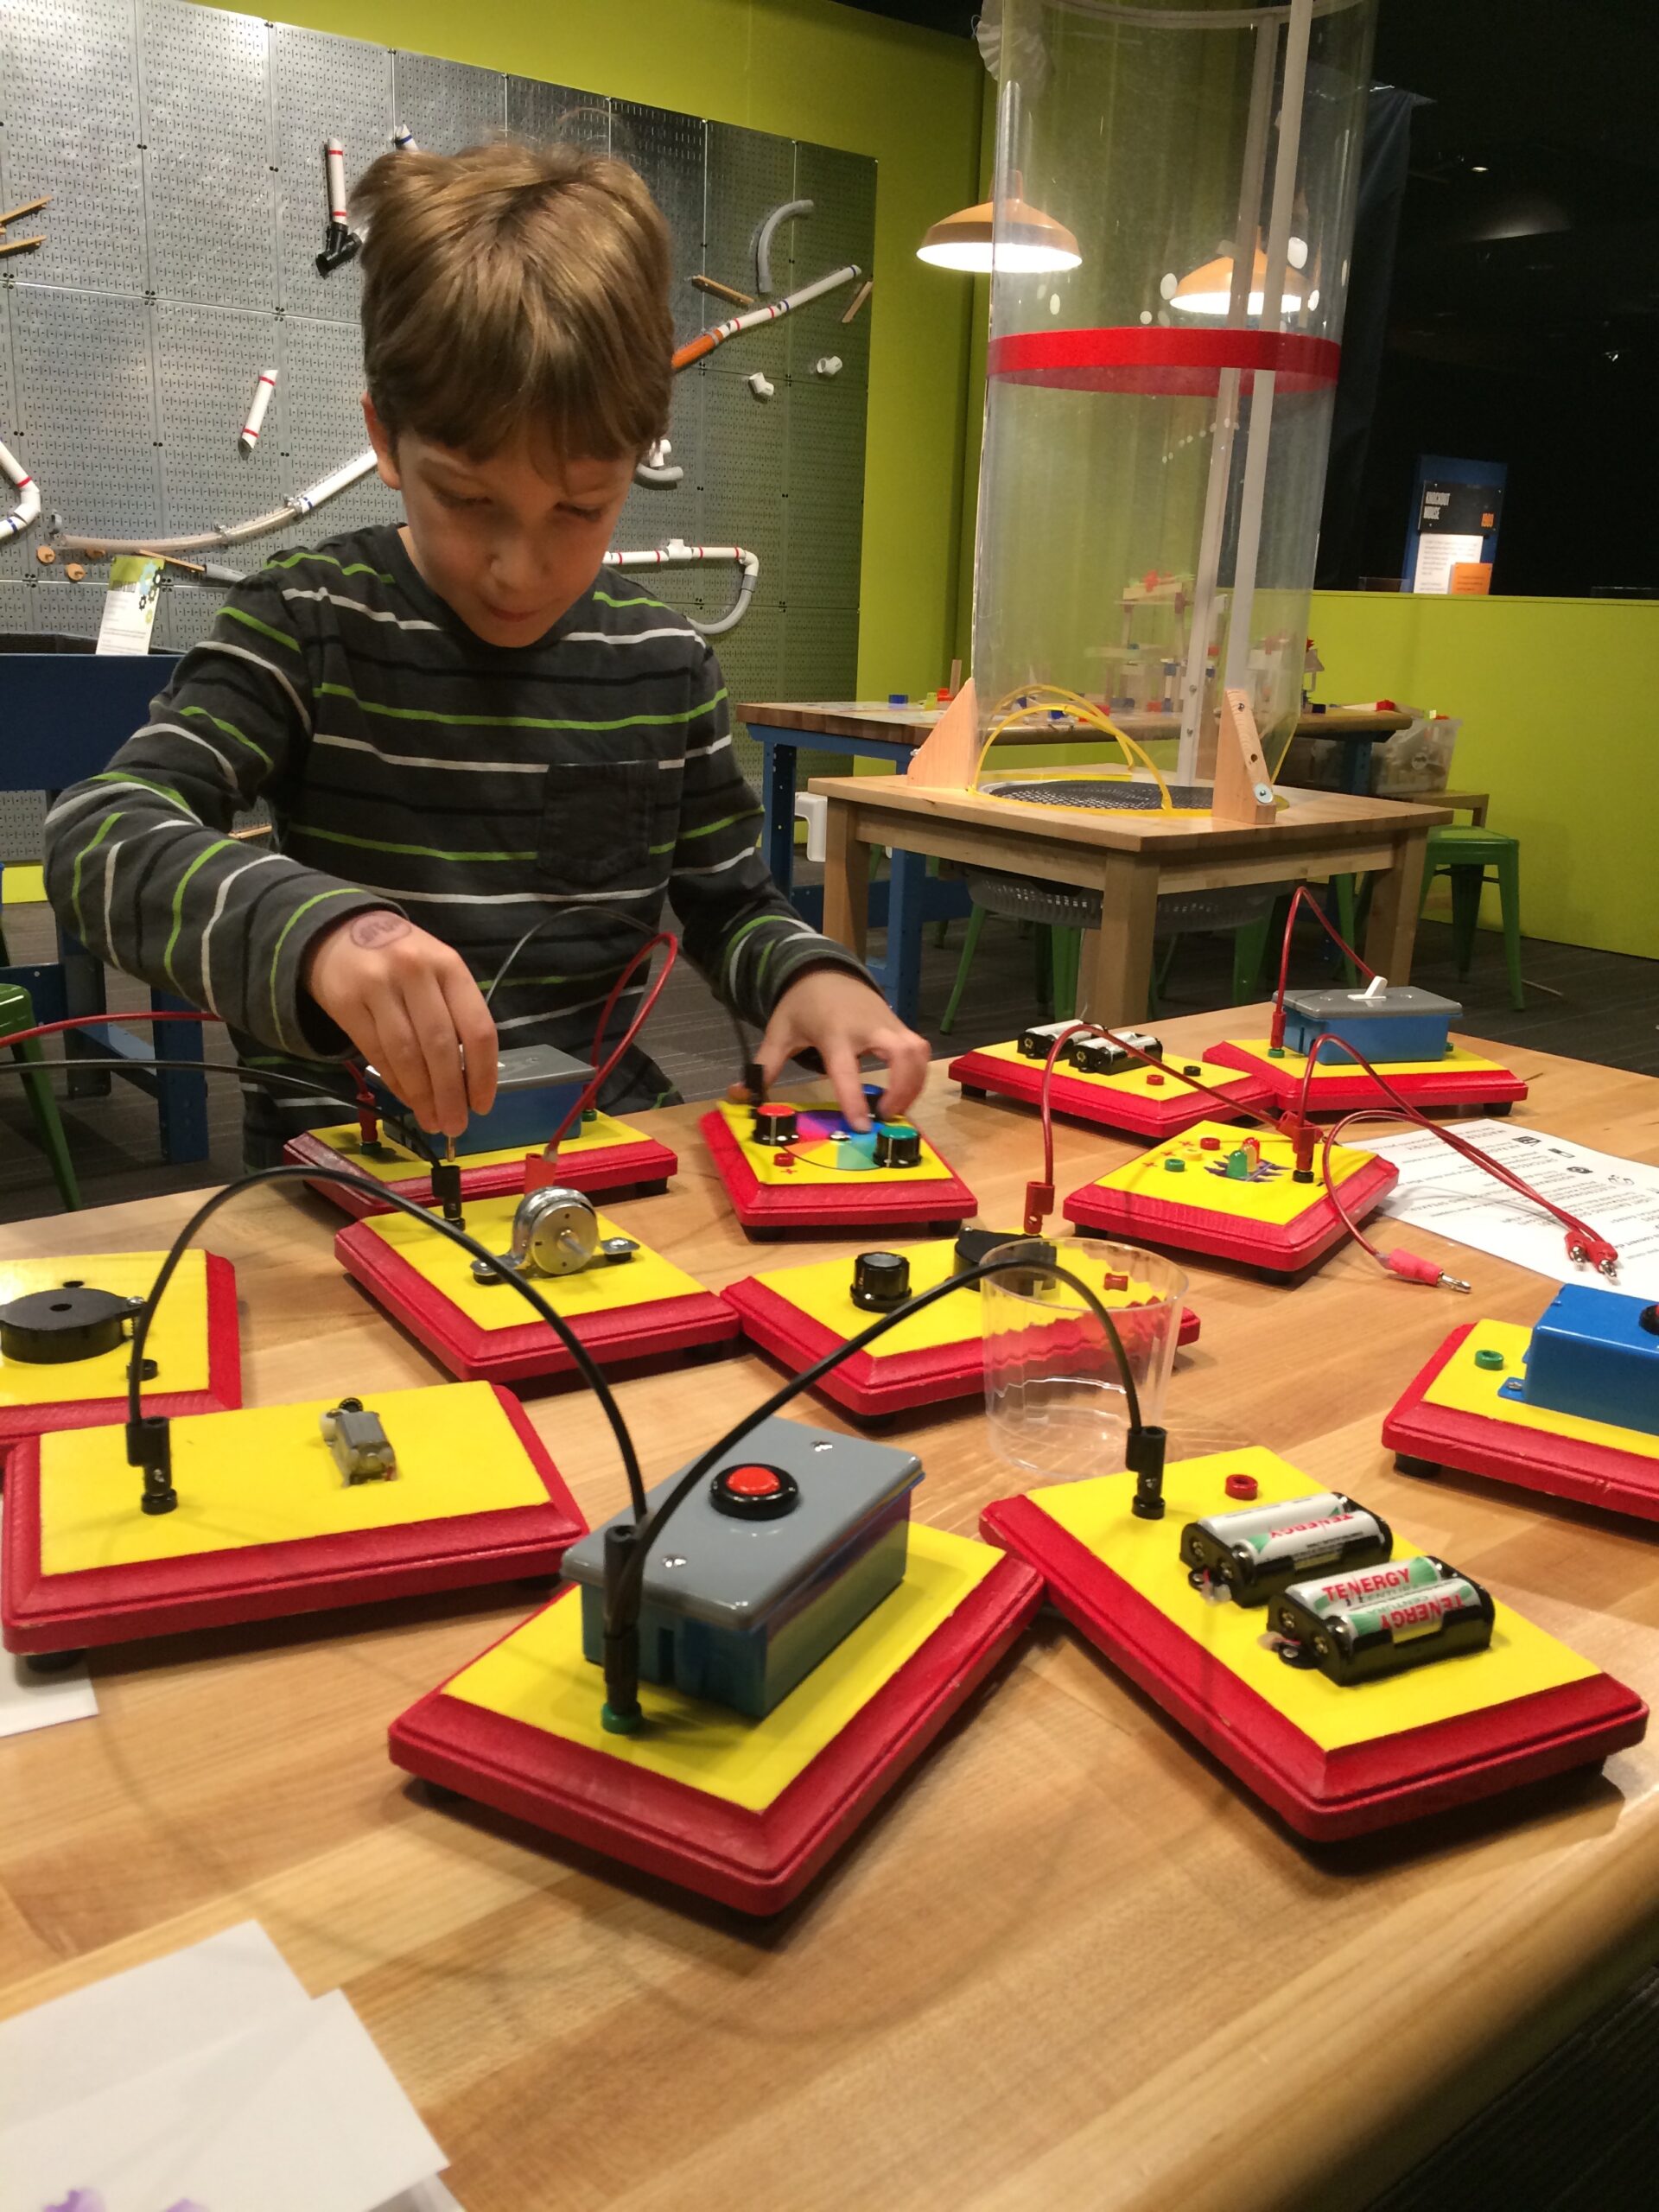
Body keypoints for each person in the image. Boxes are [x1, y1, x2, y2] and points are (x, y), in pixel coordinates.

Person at [42, 141, 927, 1165]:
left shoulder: (665, 661)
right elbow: (98, 834)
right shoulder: (307, 619)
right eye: (468, 500)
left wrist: (812, 973)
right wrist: (322, 934)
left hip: (598, 1147)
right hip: (357, 1167)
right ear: (386, 437)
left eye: (580, 509)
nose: (519, 567)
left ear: (639, 459)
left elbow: (732, 904)